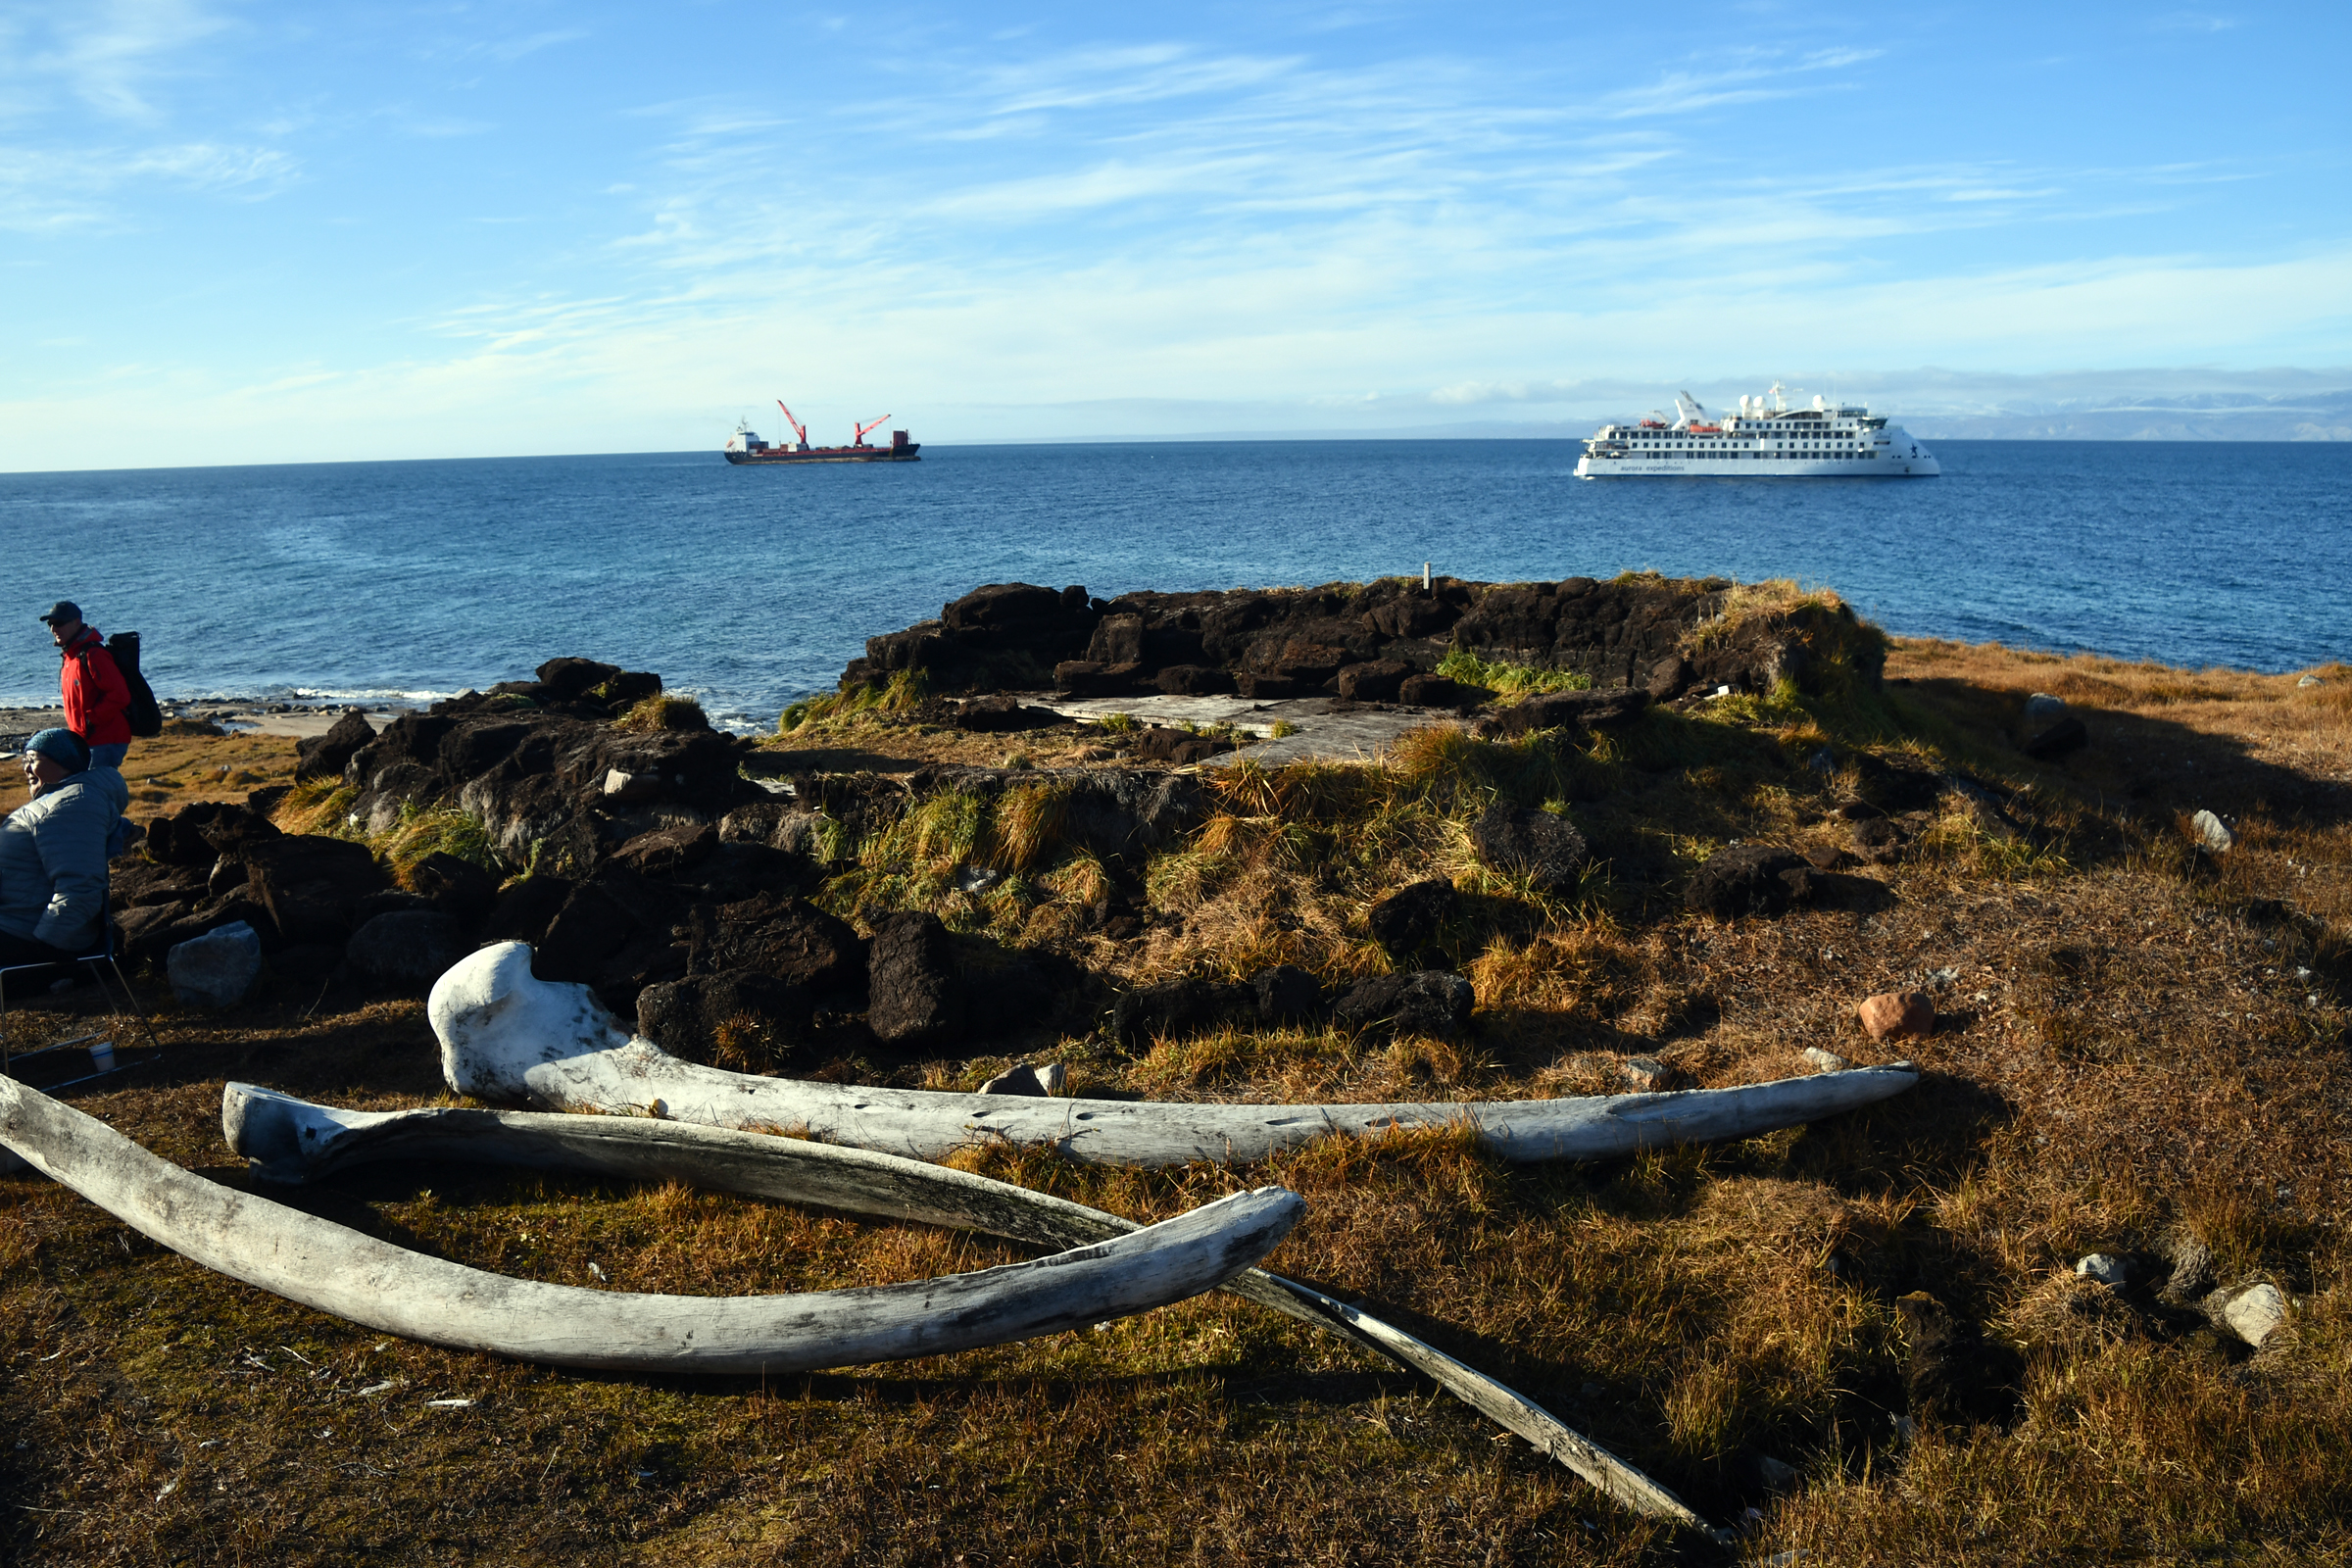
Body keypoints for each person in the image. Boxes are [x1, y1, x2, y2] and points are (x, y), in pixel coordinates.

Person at [0, 728, 127, 966]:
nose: (26, 768)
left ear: (64, 761)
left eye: (32, 759)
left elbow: (81, 886)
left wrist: (46, 946)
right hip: (17, 923)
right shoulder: (63, 800)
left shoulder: (73, 802)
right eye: (24, 761)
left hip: (24, 934)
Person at [38, 600, 132, 770]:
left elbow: (120, 695)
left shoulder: (93, 655)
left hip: (105, 740)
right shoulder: (71, 656)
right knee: (88, 785)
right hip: (86, 740)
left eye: (59, 623)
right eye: (50, 624)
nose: (53, 629)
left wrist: (90, 719)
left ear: (77, 622)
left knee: (96, 786)